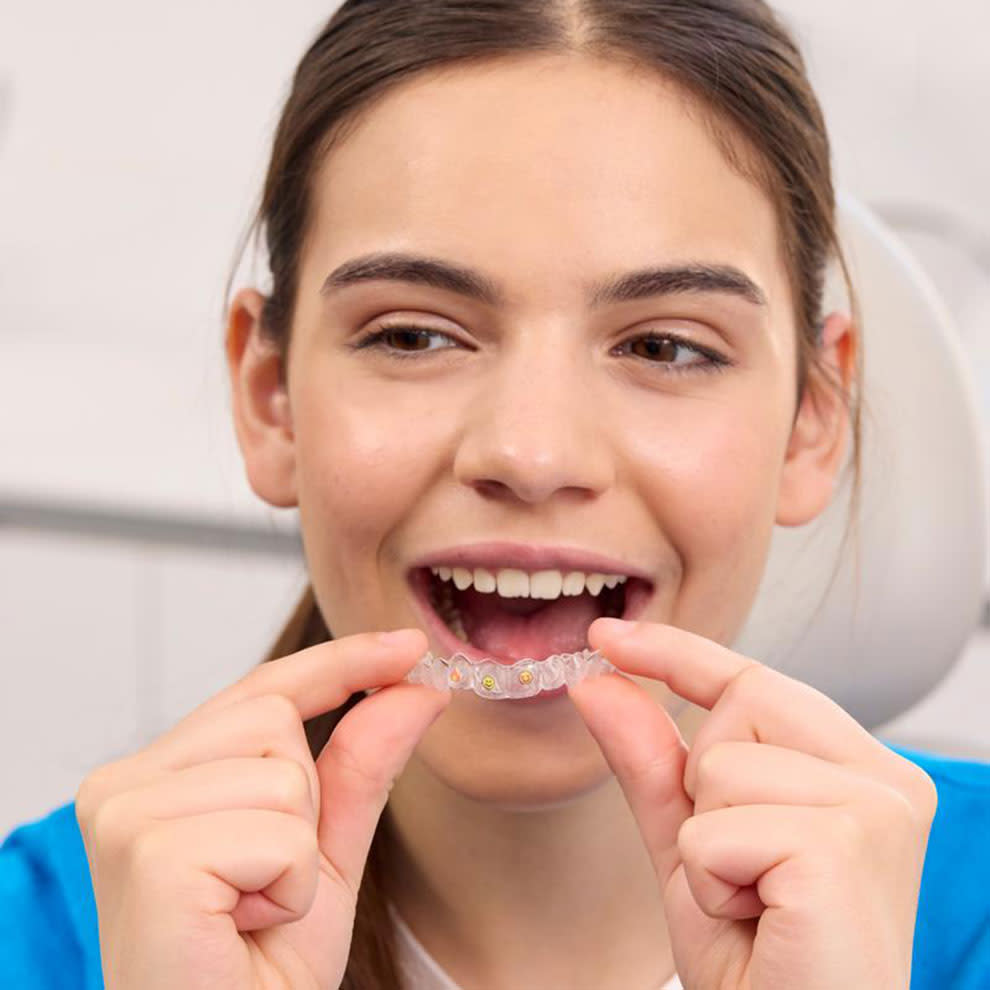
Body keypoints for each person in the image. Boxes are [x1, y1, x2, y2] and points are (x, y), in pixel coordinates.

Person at [3, 0, 990, 987]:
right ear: (271, 400)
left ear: (813, 416)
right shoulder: (48, 941)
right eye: (413, 336)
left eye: (663, 347)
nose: (532, 453)